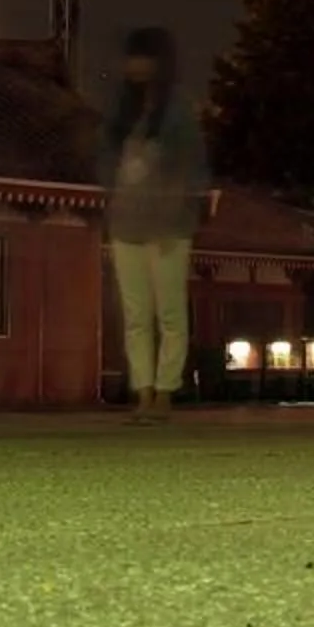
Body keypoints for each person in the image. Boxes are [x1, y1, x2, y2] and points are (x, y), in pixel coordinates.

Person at [105, 26, 209, 423]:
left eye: (143, 57)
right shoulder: (120, 108)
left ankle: (165, 390)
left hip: (168, 225)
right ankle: (143, 390)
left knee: (169, 312)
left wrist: (178, 212)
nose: (136, 66)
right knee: (135, 315)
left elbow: (191, 166)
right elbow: (107, 160)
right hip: (127, 221)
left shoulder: (178, 108)